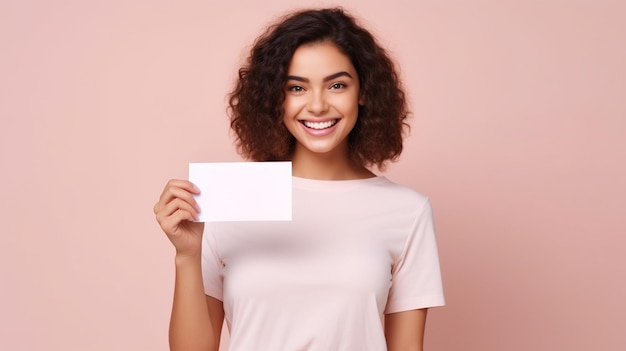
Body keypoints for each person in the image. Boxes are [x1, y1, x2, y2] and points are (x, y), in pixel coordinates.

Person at [154, 7, 444, 351]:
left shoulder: (407, 211)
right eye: (297, 88)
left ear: (363, 92)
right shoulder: (230, 199)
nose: (318, 105)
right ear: (276, 97)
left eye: (337, 85)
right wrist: (187, 256)